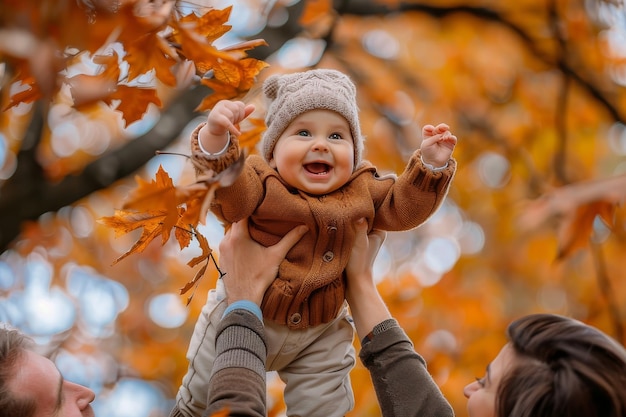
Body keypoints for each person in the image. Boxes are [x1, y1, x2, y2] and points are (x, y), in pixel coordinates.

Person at [177, 67, 458, 417]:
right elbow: (230, 191)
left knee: (328, 402)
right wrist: (216, 139)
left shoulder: (363, 190)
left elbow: (402, 209)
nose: (321, 144)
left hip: (320, 329)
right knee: (204, 391)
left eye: (338, 136)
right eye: (304, 132)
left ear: (355, 153)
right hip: (245, 309)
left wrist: (429, 168)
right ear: (274, 151)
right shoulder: (262, 183)